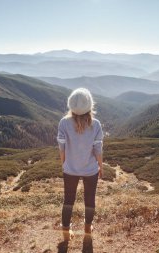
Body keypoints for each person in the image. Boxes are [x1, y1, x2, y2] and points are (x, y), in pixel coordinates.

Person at [57, 88, 104, 241]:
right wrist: (101, 166)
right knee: (90, 199)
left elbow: (62, 147)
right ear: (90, 105)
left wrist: (64, 163)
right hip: (90, 170)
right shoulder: (96, 124)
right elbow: (98, 150)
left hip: (70, 169)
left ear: (70, 105)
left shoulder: (64, 123)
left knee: (68, 199)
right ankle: (87, 227)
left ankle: (65, 229)